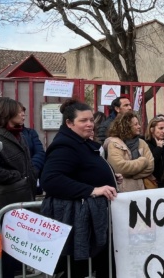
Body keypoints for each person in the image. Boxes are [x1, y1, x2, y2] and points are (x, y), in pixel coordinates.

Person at [40, 99, 119, 278]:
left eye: (91, 119)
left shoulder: (79, 142)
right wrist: (92, 190)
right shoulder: (65, 146)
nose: (90, 124)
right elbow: (51, 179)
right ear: (69, 123)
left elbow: (82, 169)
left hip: (91, 217)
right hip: (78, 220)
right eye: (83, 121)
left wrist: (111, 175)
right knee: (78, 268)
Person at [0, 98, 38, 278]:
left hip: (25, 195)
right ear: (6, 113)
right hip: (5, 198)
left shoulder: (21, 134)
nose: (23, 114)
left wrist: (30, 175)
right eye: (19, 111)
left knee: (18, 246)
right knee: (1, 245)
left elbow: (28, 161)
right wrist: (18, 177)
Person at [104, 112, 155, 192]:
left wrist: (130, 175)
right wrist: (143, 161)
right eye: (136, 124)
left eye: (138, 124)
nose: (139, 127)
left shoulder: (142, 143)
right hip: (123, 191)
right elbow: (119, 167)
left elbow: (150, 166)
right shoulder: (114, 143)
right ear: (126, 126)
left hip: (141, 190)